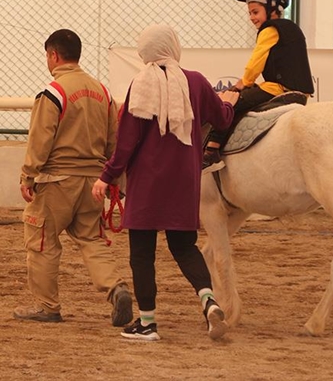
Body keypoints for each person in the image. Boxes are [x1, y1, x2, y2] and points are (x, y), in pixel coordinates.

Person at [92, 24, 239, 341]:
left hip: (148, 182)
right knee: (184, 248)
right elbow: (223, 118)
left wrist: (107, 176)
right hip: (184, 180)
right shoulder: (197, 82)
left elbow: (127, 141)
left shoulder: (140, 85)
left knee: (142, 253)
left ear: (145, 52)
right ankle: (209, 302)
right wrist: (229, 100)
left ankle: (147, 323)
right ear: (173, 46)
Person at [13, 29, 133, 326]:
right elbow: (113, 141)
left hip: (56, 182)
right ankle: (116, 288)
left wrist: (28, 176)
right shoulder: (102, 92)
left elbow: (40, 140)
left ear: (53, 56)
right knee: (92, 240)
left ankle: (47, 306)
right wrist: (112, 179)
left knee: (42, 242)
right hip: (94, 181)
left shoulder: (53, 92)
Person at [203, 0, 314, 170]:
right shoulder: (291, 29)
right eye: (250, 13)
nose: (252, 18)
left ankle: (212, 149)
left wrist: (243, 83)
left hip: (279, 89)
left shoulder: (269, 30)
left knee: (232, 104)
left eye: (255, 12)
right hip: (299, 92)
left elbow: (256, 62)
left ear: (272, 7)